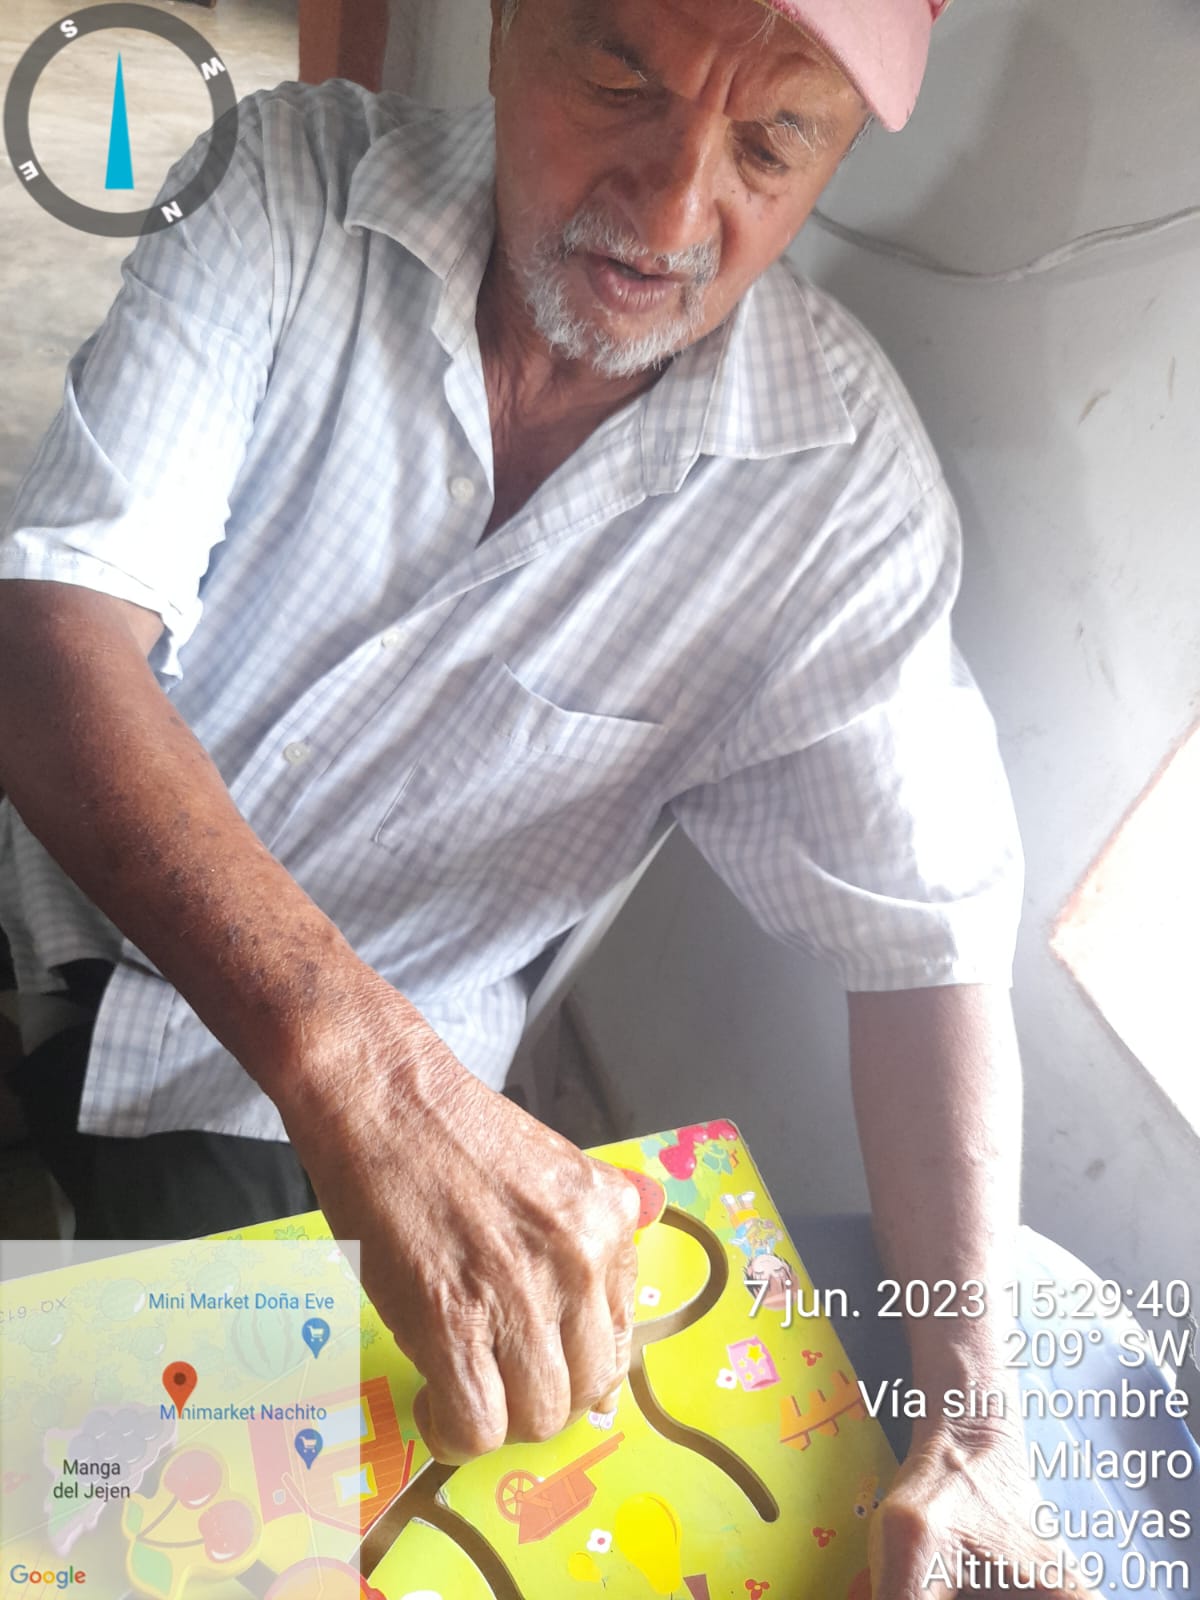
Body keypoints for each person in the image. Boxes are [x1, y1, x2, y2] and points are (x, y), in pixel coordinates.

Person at [0, 0, 1102, 1593]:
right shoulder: (288, 181)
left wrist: (980, 1425)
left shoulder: (839, 494)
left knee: (175, 1544)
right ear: (509, 29)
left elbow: (930, 942)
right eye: (621, 75)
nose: (671, 207)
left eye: (772, 140)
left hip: (248, 1106)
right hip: (54, 875)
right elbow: (51, 634)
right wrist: (367, 1076)